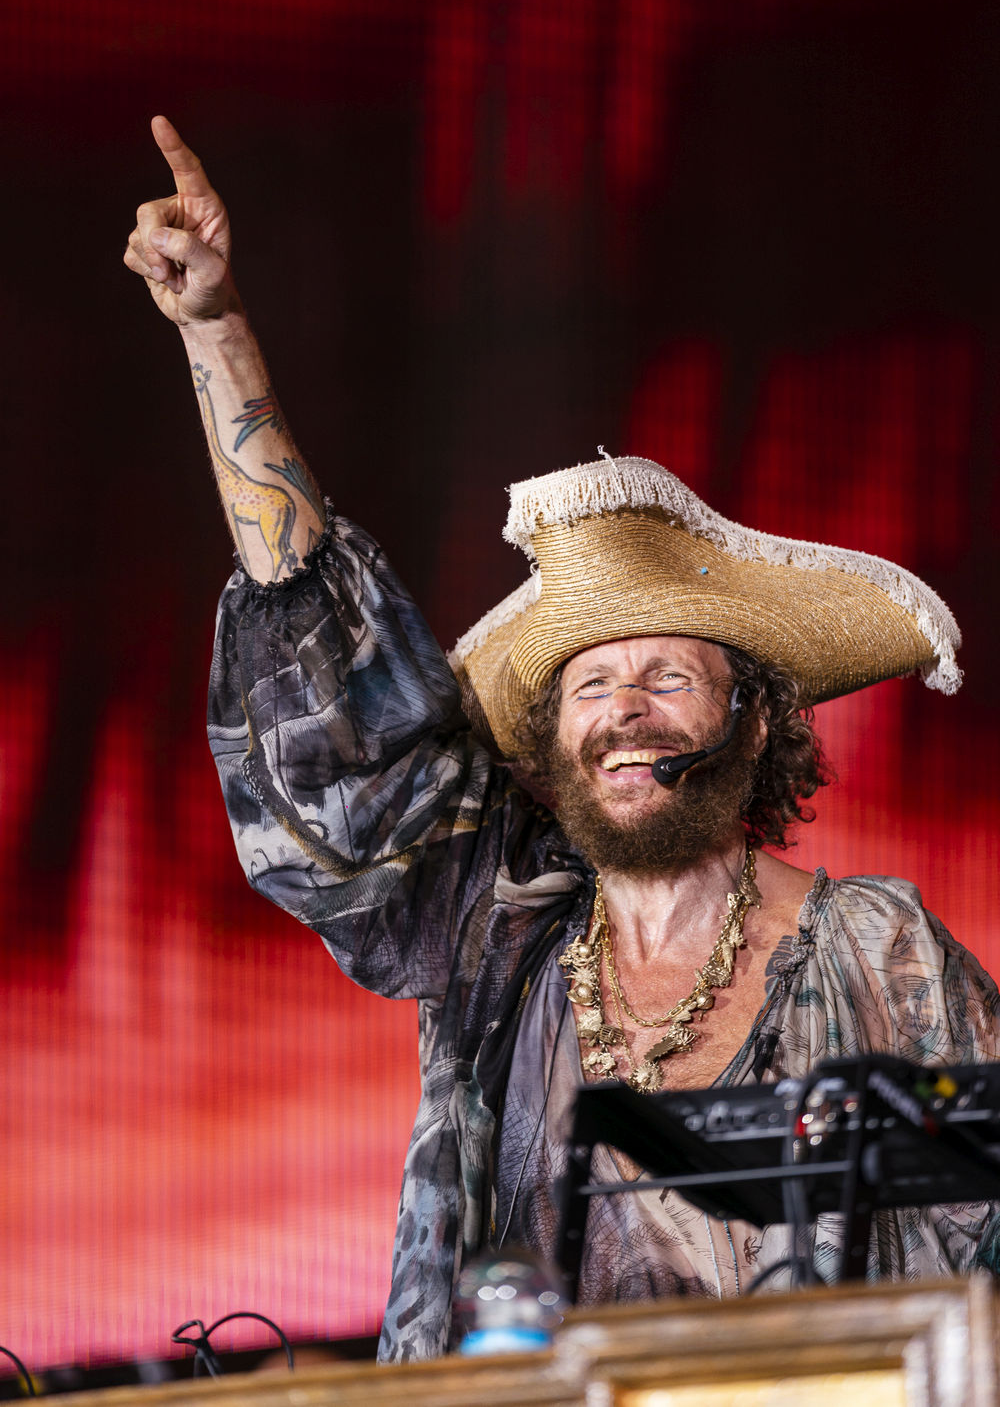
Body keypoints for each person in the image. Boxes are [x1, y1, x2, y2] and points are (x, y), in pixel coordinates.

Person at [125, 117, 1000, 1363]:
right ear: (551, 736)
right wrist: (215, 333)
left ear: (753, 718)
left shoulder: (879, 949)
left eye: (666, 678)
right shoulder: (501, 931)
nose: (624, 711)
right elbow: (331, 702)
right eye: (591, 687)